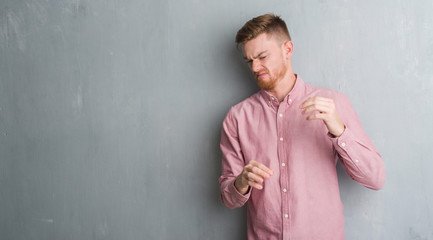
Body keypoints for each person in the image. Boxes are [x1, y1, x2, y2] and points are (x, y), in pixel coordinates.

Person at [218, 13, 386, 240]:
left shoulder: (333, 103)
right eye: (249, 61)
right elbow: (228, 198)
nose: (255, 67)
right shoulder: (237, 117)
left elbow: (375, 178)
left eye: (262, 56)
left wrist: (339, 131)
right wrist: (241, 182)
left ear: (287, 49)